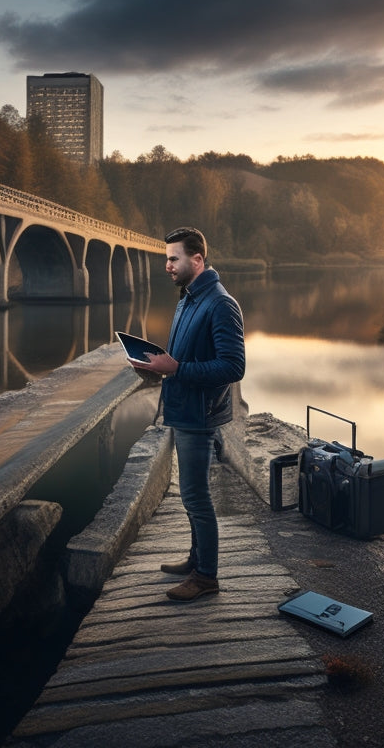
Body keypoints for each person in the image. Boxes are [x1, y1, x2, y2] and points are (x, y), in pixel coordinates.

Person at [129, 226, 245, 601]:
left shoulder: (220, 304)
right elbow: (183, 356)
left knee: (196, 497)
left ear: (197, 260)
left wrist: (176, 369)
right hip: (183, 409)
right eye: (167, 258)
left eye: (173, 258)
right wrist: (157, 365)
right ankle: (197, 560)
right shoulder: (189, 298)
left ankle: (207, 576)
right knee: (191, 495)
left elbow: (232, 367)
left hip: (200, 414)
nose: (167, 265)